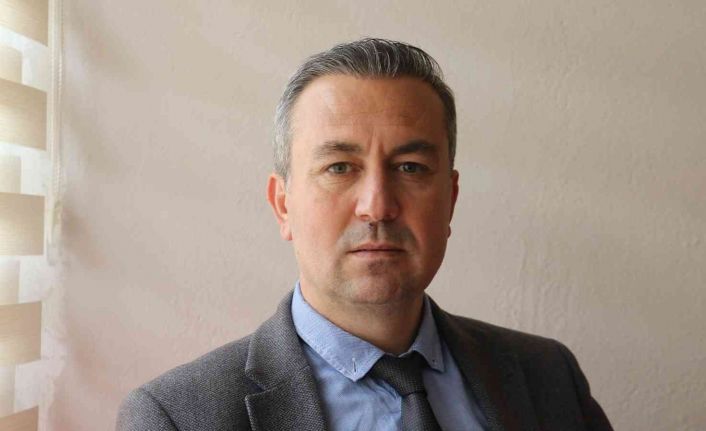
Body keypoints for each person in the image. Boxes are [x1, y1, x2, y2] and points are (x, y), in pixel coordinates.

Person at [117, 38, 613, 431]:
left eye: (410, 167)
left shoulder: (548, 377)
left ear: (451, 198)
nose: (377, 205)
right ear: (283, 204)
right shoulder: (176, 418)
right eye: (339, 167)